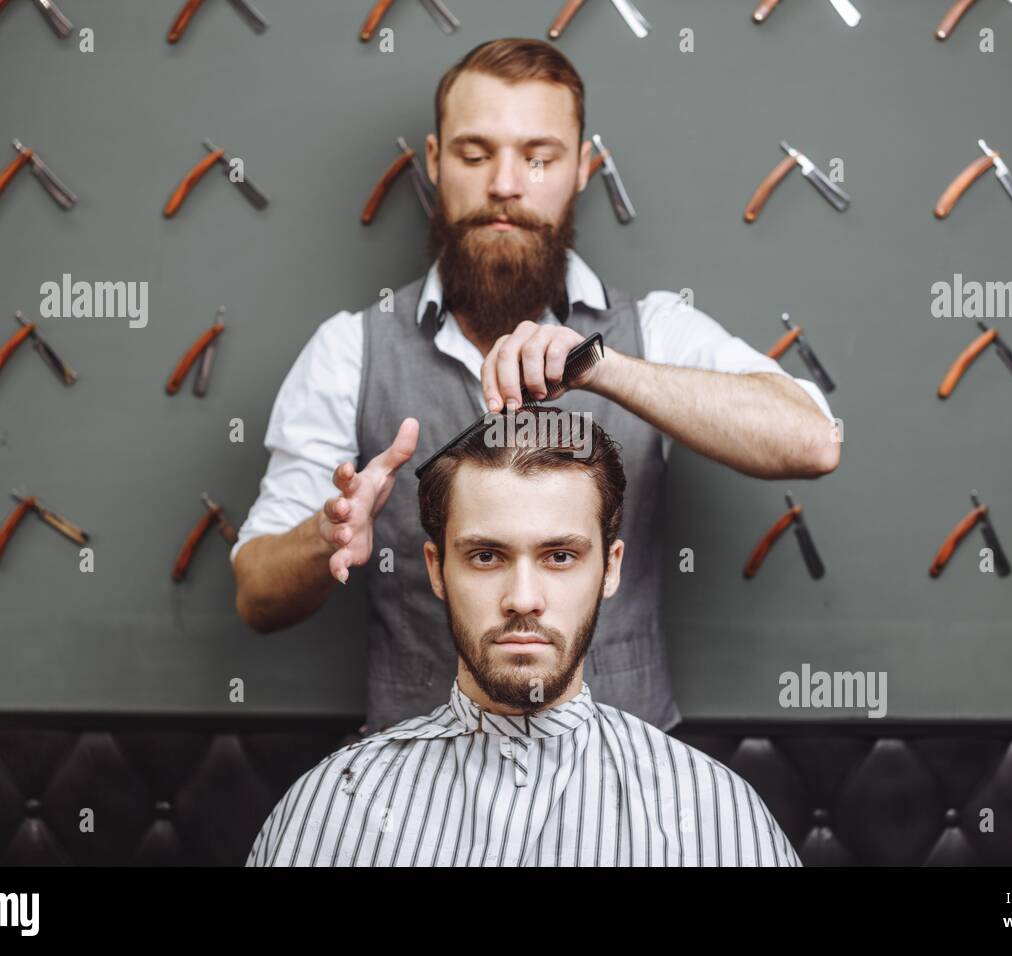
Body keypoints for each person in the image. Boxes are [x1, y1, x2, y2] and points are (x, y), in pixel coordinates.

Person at [232, 37, 839, 734]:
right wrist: (325, 535)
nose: (506, 185)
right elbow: (256, 595)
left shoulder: (655, 330)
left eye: (539, 156)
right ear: (433, 163)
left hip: (623, 797)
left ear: (582, 168)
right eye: (474, 153)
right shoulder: (350, 350)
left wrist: (604, 368)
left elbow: (813, 440)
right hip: (417, 805)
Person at [245, 412, 800, 866]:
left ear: (610, 569)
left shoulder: (709, 816)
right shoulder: (335, 811)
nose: (523, 597)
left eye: (560, 556)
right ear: (437, 570)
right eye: (486, 556)